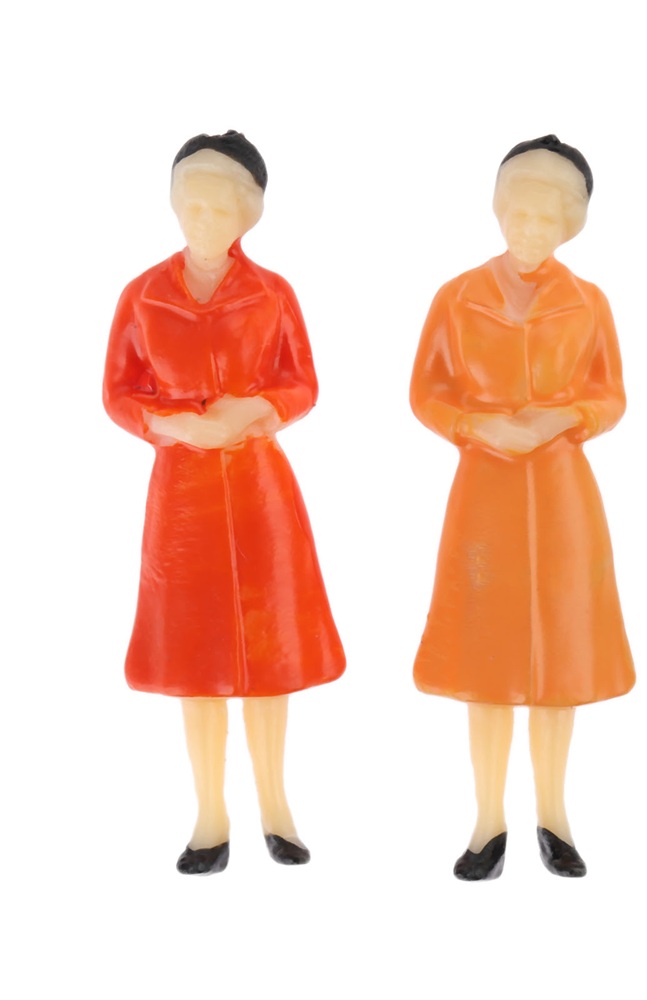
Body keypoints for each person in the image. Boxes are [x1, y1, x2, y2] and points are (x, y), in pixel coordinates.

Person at [104, 131, 345, 874]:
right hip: (182, 497)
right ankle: (210, 816)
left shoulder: (273, 293)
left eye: (219, 207)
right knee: (194, 654)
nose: (203, 220)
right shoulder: (142, 295)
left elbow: (302, 382)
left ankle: (276, 807)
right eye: (192, 205)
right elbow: (118, 391)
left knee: (268, 651)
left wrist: (254, 411)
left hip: (258, 489)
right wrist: (170, 423)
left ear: (248, 213)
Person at [411, 135, 634, 880]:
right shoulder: (456, 297)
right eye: (521, 215)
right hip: (485, 491)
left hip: (564, 493)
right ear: (500, 210)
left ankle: (554, 816)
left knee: (558, 660)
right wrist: (475, 427)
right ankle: (487, 822)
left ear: (570, 224)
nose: (531, 231)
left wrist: (567, 417)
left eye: (548, 219)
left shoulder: (589, 302)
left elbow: (611, 394)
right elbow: (427, 392)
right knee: (487, 656)